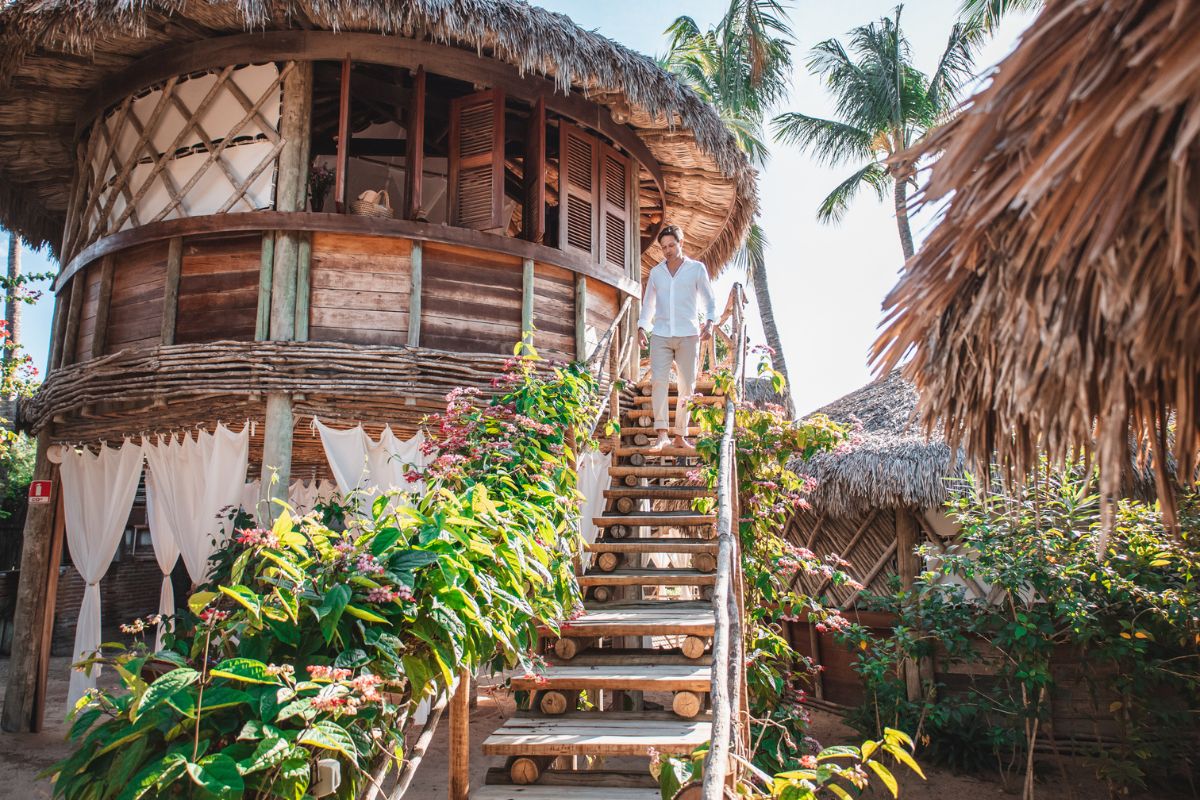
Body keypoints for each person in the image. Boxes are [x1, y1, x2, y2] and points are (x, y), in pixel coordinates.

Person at [637, 224, 717, 452]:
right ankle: (662, 434)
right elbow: (648, 304)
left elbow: (709, 300)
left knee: (687, 385)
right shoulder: (656, 273)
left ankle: (680, 435)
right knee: (659, 382)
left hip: (688, 334)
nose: (668, 250)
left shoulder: (696, 269)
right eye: (664, 247)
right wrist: (642, 327)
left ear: (681, 244)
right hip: (661, 334)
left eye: (672, 245)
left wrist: (710, 323)